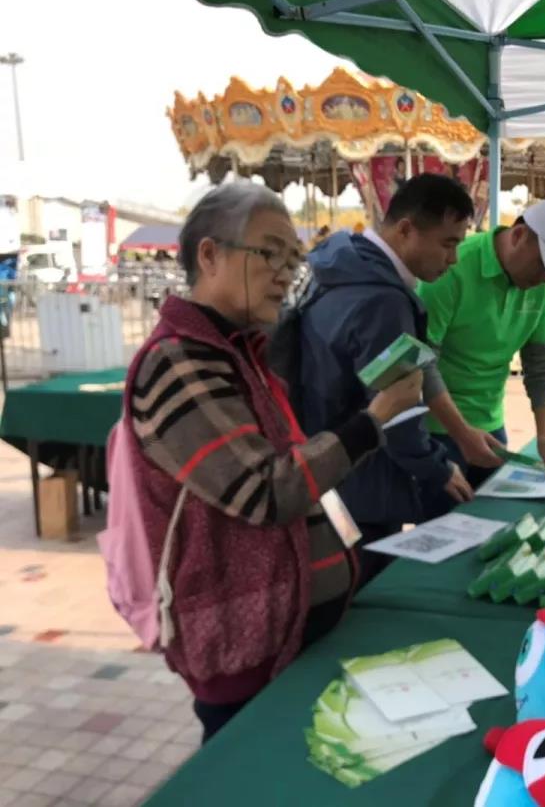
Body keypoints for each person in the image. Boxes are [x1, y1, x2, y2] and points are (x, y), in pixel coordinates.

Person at [123, 183, 421, 742]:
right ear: (209, 255)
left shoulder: (237, 352)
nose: (286, 274)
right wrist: (375, 417)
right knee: (247, 765)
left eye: (293, 259)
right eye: (270, 254)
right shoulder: (178, 363)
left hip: (283, 636)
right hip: (242, 645)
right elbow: (266, 490)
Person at [298, 174, 474, 563]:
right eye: (448, 244)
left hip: (326, 465)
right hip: (364, 483)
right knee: (365, 585)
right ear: (406, 230)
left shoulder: (342, 267)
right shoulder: (383, 301)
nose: (453, 259)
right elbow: (395, 411)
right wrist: (439, 468)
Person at [417, 199, 545, 486]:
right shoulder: (452, 267)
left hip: (491, 425)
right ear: (518, 235)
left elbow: (541, 360)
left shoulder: (542, 285)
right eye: (542, 265)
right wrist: (462, 433)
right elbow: (421, 362)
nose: (544, 278)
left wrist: (544, 434)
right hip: (437, 428)